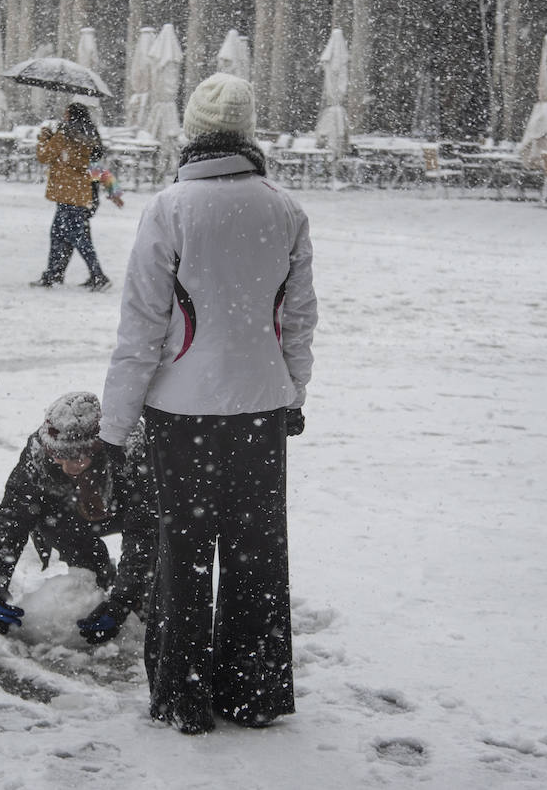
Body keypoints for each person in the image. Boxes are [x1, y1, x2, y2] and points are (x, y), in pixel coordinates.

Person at [98, 72, 317, 734]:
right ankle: (252, 690)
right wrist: (294, 393)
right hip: (259, 408)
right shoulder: (283, 208)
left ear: (193, 132)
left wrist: (115, 425)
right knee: (256, 552)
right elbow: (298, 319)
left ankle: (183, 695)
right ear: (247, 132)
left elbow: (141, 328)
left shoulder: (170, 208)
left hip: (182, 410)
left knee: (182, 553)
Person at [0, 392, 155, 645]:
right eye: (59, 457)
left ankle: (141, 598)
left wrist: (122, 602)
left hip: (124, 509)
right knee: (47, 518)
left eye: (77, 458)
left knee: (151, 576)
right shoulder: (38, 454)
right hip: (71, 514)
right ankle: (92, 574)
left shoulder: (132, 452)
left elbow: (143, 532)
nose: (68, 466)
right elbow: (12, 516)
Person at [31, 102, 115, 291]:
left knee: (76, 237)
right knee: (62, 234)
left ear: (71, 115)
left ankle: (97, 275)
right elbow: (92, 163)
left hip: (67, 192)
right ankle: (53, 274)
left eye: (66, 113)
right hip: (81, 190)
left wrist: (44, 137)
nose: (64, 116)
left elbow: (44, 156)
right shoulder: (89, 135)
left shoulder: (65, 135)